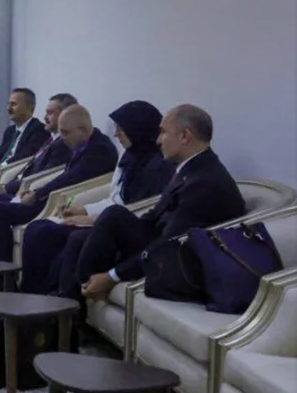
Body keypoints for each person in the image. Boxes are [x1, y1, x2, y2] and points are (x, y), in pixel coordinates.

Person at [79, 104, 246, 301]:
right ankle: (76, 297)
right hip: (160, 241)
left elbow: (169, 242)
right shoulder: (190, 169)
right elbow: (153, 217)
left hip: (181, 260)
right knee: (99, 224)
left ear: (184, 136)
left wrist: (112, 276)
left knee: (107, 222)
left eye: (163, 132)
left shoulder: (204, 182)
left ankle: (78, 298)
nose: (158, 140)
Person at [19, 100, 173, 294]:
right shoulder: (128, 156)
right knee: (37, 228)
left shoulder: (159, 165)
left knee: (50, 233)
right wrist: (84, 210)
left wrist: (92, 219)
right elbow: (115, 198)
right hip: (108, 217)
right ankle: (30, 293)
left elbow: (136, 208)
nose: (116, 134)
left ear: (137, 129)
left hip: (120, 227)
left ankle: (52, 297)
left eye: (121, 129)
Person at [0, 104, 118, 279]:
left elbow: (70, 178)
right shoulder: (83, 142)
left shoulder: (99, 150)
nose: (62, 138)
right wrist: (35, 191)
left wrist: (37, 194)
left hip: (63, 201)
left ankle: (2, 277)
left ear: (83, 130)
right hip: (53, 195)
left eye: (66, 133)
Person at [0, 92, 74, 241]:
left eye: (50, 113)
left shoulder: (57, 141)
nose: (45, 118)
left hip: (32, 194)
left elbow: (43, 176)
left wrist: (5, 187)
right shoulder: (50, 139)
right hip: (18, 183)